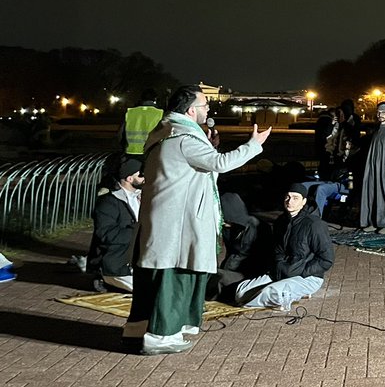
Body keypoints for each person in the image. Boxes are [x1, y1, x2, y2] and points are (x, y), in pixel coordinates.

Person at [124, 85, 270, 355]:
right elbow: (220, 164)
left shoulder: (168, 132)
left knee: (154, 280)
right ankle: (162, 335)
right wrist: (253, 145)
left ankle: (142, 330)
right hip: (176, 225)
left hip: (166, 219)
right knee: (172, 277)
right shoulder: (183, 138)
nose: (208, 110)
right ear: (190, 110)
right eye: (204, 105)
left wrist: (208, 146)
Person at [235, 183, 334, 311]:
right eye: (287, 197)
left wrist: (302, 271)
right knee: (241, 291)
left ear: (304, 201)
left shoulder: (315, 225)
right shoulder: (281, 222)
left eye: (295, 198)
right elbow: (277, 250)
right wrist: (280, 266)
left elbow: (327, 259)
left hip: (307, 277)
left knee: (271, 293)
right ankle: (267, 298)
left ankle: (287, 295)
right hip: (283, 272)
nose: (290, 201)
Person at [86, 156, 144, 293]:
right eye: (140, 175)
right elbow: (106, 234)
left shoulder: (142, 196)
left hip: (135, 259)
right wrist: (139, 233)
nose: (144, 178)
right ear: (129, 178)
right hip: (116, 262)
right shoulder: (108, 202)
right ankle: (103, 279)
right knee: (149, 292)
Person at [359, 102, 385, 234]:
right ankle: (373, 221)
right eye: (378, 112)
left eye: (383, 112)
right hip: (373, 166)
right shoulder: (377, 130)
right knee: (372, 191)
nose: (380, 115)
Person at [119, 89, 163, 156]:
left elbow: (120, 135)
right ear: (155, 99)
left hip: (130, 152)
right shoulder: (160, 113)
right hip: (151, 154)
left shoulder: (130, 112)